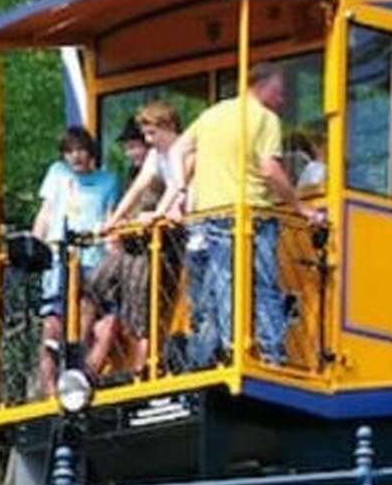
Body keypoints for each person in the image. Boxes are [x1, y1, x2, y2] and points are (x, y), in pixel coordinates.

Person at [159, 62, 320, 367]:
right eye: (280, 90)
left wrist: (180, 191)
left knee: (217, 287)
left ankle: (218, 353)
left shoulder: (214, 113)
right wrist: (300, 208)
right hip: (250, 215)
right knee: (261, 286)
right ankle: (270, 356)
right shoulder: (264, 118)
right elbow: (269, 168)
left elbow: (178, 149)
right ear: (262, 85)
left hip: (208, 216)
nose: (283, 98)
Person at [86, 104, 186, 378]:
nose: (149, 140)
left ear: (167, 127)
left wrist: (157, 215)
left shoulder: (180, 149)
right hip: (142, 239)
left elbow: (179, 185)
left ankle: (144, 367)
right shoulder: (157, 155)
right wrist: (114, 220)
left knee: (145, 301)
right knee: (98, 284)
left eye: (152, 133)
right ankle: (78, 353)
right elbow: (139, 186)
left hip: (171, 237)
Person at [30, 125, 120, 398]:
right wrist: (36, 245)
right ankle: (49, 392)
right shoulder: (57, 173)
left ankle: (77, 370)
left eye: (80, 150)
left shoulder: (108, 180)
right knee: (52, 323)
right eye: (69, 152)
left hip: (92, 255)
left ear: (90, 152)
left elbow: (110, 216)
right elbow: (46, 213)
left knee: (88, 306)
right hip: (59, 256)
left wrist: (114, 253)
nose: (75, 157)